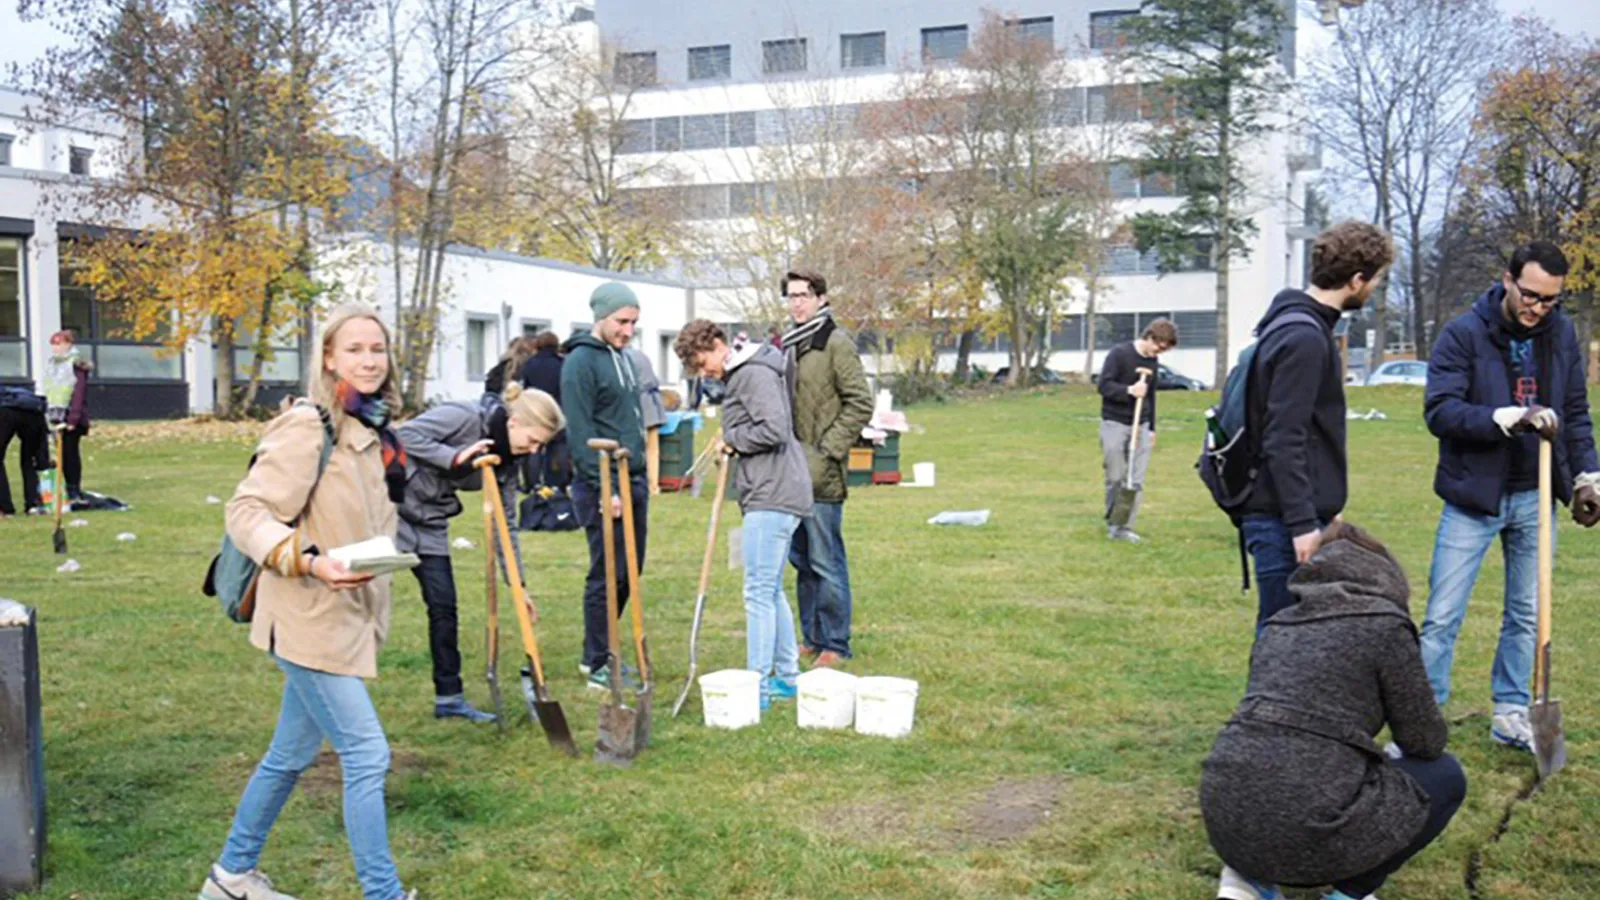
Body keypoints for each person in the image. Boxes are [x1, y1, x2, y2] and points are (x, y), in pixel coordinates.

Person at [204, 303, 422, 900]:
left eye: (377, 349)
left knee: (289, 753)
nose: (369, 360)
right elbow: (247, 512)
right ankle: (385, 894)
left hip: (349, 616)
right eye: (354, 350)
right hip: (304, 615)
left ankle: (231, 877)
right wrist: (310, 559)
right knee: (367, 754)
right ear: (328, 358)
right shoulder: (309, 427)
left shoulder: (373, 428)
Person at [1201, 522, 1467, 900]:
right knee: (1443, 776)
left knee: (1277, 772)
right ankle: (1349, 894)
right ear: (1385, 575)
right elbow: (1425, 742)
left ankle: (1248, 878)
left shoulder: (1277, 625)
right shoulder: (1384, 625)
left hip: (1224, 813)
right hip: (1305, 824)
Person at [1419, 240, 1599, 752]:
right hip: (1473, 497)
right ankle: (1424, 719)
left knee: (1526, 615)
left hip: (1535, 497)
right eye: (1530, 295)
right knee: (1442, 615)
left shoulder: (1560, 335)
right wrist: (1505, 417)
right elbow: (1441, 412)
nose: (1537, 308)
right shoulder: (1463, 334)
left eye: (1549, 300)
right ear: (1507, 280)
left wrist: (1588, 477)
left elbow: (1574, 413)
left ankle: (1512, 712)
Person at [1238, 222, 1393, 634]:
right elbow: (1283, 436)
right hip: (1280, 517)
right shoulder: (1304, 336)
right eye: (1375, 278)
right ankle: (1266, 702)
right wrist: (1304, 524)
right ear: (1356, 280)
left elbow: (1308, 430)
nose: (1374, 287)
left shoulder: (1292, 321)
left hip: (1289, 510)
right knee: (1285, 639)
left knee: (1290, 637)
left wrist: (1326, 500)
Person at [395, 383, 564, 724]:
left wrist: (518, 586)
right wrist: (454, 458)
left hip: (431, 518)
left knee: (443, 605)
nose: (533, 451)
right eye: (532, 441)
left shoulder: (507, 463)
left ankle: (449, 699)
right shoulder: (463, 418)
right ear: (514, 421)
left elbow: (507, 527)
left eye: (540, 446)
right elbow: (402, 437)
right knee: (365, 595)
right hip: (389, 506)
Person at [675, 320, 813, 709]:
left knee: (756, 591)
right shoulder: (748, 372)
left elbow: (775, 429)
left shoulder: (751, 374)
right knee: (770, 589)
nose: (706, 373)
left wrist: (733, 439)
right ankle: (787, 678)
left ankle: (759, 685)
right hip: (774, 488)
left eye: (704, 363)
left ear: (718, 344)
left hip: (774, 492)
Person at [779, 269, 873, 668]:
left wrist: (828, 450)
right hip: (790, 472)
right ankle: (811, 637)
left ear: (821, 298)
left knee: (826, 560)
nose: (797, 302)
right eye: (791, 296)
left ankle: (836, 642)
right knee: (801, 561)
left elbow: (860, 403)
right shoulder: (788, 344)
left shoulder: (836, 342)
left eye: (803, 295)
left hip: (821, 472)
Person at [560, 283, 648, 690]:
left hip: (633, 477)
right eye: (621, 322)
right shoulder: (580, 362)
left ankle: (598, 649)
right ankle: (598, 661)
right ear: (601, 317)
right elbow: (581, 432)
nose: (628, 330)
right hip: (602, 482)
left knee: (630, 570)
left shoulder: (623, 357)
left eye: (633, 322)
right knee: (607, 573)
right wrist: (604, 488)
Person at [1098, 318, 1178, 543]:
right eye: (1159, 347)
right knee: (1115, 475)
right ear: (1150, 337)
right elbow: (1103, 386)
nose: (1159, 353)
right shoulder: (1119, 354)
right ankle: (1113, 515)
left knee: (1134, 479)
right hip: (1115, 422)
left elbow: (1151, 397)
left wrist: (1151, 428)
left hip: (1140, 425)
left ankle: (1123, 526)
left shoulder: (1153, 363)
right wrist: (1130, 390)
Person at [41, 329, 92, 502]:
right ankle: (64, 488)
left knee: (70, 453)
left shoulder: (76, 363)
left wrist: (73, 419)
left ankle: (74, 489)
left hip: (71, 415)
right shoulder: (52, 364)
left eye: (60, 344)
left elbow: (78, 393)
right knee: (61, 453)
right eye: (54, 344)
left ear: (69, 344)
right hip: (55, 413)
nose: (56, 348)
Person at [0, 385, 49, 517]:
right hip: (35, 412)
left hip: (7, 411)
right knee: (30, 459)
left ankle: (5, 507)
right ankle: (34, 504)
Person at [626, 345, 667, 494]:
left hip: (640, 401)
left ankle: (641, 482)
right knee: (653, 448)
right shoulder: (641, 355)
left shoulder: (625, 358)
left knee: (639, 446)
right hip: (653, 402)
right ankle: (654, 486)